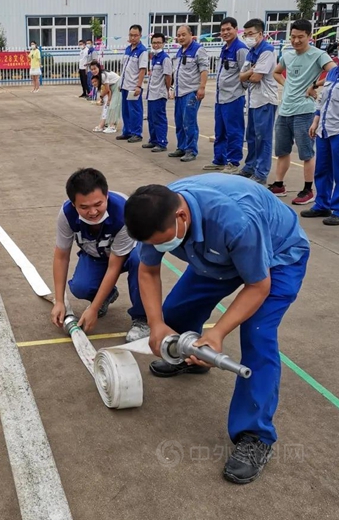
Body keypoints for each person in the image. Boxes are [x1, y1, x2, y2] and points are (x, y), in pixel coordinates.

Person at [124, 174, 310, 485]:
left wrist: (217, 333)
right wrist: (156, 325)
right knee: (174, 313)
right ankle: (190, 358)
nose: (158, 248)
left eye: (161, 241)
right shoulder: (158, 214)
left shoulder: (235, 221)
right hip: (216, 254)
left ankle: (255, 436)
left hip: (277, 258)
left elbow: (258, 285)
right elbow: (148, 270)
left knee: (258, 333)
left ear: (181, 217)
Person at [51, 168, 149, 343]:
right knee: (81, 286)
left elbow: (114, 266)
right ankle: (107, 295)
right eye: (84, 207)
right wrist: (59, 301)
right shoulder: (66, 215)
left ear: (107, 196)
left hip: (126, 255)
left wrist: (93, 309)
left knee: (140, 260)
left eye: (98, 204)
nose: (93, 212)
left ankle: (142, 318)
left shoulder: (123, 213)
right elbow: (61, 256)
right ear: (73, 204)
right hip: (97, 253)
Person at [270, 19, 336, 204]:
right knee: (282, 150)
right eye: (293, 37)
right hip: (285, 110)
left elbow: (335, 72)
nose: (296, 41)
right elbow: (277, 72)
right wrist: (287, 84)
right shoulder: (288, 55)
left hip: (305, 111)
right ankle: (279, 184)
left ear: (309, 36)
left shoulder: (318, 55)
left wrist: (315, 84)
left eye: (300, 37)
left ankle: (308, 189)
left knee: (306, 152)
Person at [303, 30, 339, 225]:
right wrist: (316, 121)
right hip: (324, 128)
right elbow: (324, 99)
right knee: (322, 169)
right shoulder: (334, 71)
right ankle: (322, 204)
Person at [237, 19, 280, 185]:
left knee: (264, 138)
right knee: (252, 136)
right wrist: (250, 71)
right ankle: (250, 167)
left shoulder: (267, 51)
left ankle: (261, 172)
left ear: (260, 34)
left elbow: (255, 78)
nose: (248, 37)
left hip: (265, 101)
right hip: (253, 101)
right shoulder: (251, 53)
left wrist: (250, 72)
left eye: (251, 34)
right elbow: (241, 76)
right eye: (246, 35)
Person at [203, 18, 247, 172]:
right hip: (220, 98)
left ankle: (233, 163)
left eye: (229, 29)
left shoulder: (240, 49)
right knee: (219, 131)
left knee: (233, 131)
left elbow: (245, 73)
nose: (225, 33)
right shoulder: (225, 48)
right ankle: (219, 159)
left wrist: (240, 90)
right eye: (223, 30)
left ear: (236, 29)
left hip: (233, 98)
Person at [169, 25, 209, 162]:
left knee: (189, 121)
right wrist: (173, 89)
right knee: (179, 121)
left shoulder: (198, 50)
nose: (180, 37)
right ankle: (182, 147)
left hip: (191, 92)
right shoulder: (180, 52)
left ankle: (191, 150)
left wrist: (202, 87)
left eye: (183, 34)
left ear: (191, 34)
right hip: (180, 93)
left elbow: (204, 70)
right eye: (178, 35)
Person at [116, 24, 147, 143]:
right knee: (126, 111)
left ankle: (136, 133)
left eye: (135, 35)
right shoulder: (128, 49)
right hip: (124, 85)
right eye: (131, 35)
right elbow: (124, 67)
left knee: (135, 111)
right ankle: (127, 132)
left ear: (140, 36)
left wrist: (138, 86)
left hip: (134, 87)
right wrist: (120, 83)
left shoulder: (142, 51)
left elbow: (142, 70)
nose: (133, 38)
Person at [143, 32, 172, 152]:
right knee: (151, 118)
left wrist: (167, 89)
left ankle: (162, 142)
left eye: (159, 43)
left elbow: (168, 76)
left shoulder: (165, 58)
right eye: (154, 43)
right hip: (151, 93)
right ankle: (153, 139)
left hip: (159, 93)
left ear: (163, 44)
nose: (156, 45)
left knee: (159, 119)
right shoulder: (154, 58)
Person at [88, 61, 121, 132]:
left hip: (117, 85)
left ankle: (112, 126)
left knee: (113, 105)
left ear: (99, 68)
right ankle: (105, 124)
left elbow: (107, 89)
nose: (93, 71)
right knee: (108, 106)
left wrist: (101, 97)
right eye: (92, 69)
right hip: (112, 86)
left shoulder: (103, 75)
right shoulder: (98, 76)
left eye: (95, 68)